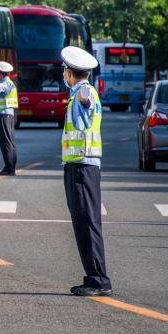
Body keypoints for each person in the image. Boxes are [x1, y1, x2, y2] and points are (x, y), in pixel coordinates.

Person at [60, 46, 111, 297]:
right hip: (80, 165)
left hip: (83, 166)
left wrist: (84, 98)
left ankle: (98, 279)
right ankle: (94, 276)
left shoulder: (84, 90)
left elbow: (88, 103)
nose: (64, 75)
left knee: (87, 223)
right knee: (84, 223)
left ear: (70, 72)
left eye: (65, 71)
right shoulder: (77, 91)